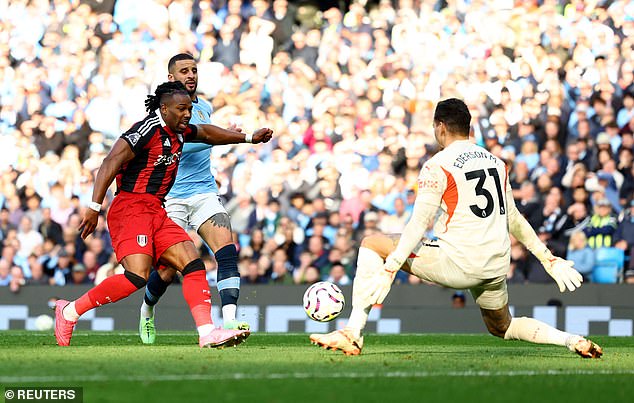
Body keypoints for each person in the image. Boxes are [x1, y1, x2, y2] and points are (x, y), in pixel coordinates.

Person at [310, 98, 602, 358]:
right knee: (503, 326)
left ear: (440, 127)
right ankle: (571, 340)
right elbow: (513, 217)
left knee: (372, 242)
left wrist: (392, 266)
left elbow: (418, 223)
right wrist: (548, 258)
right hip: (495, 265)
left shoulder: (439, 165)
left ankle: (352, 333)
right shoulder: (497, 163)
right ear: (467, 127)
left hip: (458, 263)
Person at [54, 81, 273, 347]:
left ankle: (207, 332)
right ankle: (69, 312)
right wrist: (94, 207)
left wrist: (249, 138)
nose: (187, 115)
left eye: (189, 109)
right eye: (181, 109)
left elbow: (206, 134)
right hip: (130, 209)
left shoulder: (179, 130)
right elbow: (110, 161)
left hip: (156, 209)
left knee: (192, 264)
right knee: (137, 276)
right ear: (164, 108)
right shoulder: (145, 130)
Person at [138, 53, 251, 345]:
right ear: (171, 78)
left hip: (203, 193)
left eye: (194, 70)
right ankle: (147, 310)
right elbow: (187, 142)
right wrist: (222, 136)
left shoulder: (205, 107)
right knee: (167, 270)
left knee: (226, 250)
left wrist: (226, 135)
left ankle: (229, 320)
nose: (190, 75)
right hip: (170, 199)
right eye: (183, 71)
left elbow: (206, 137)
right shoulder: (160, 114)